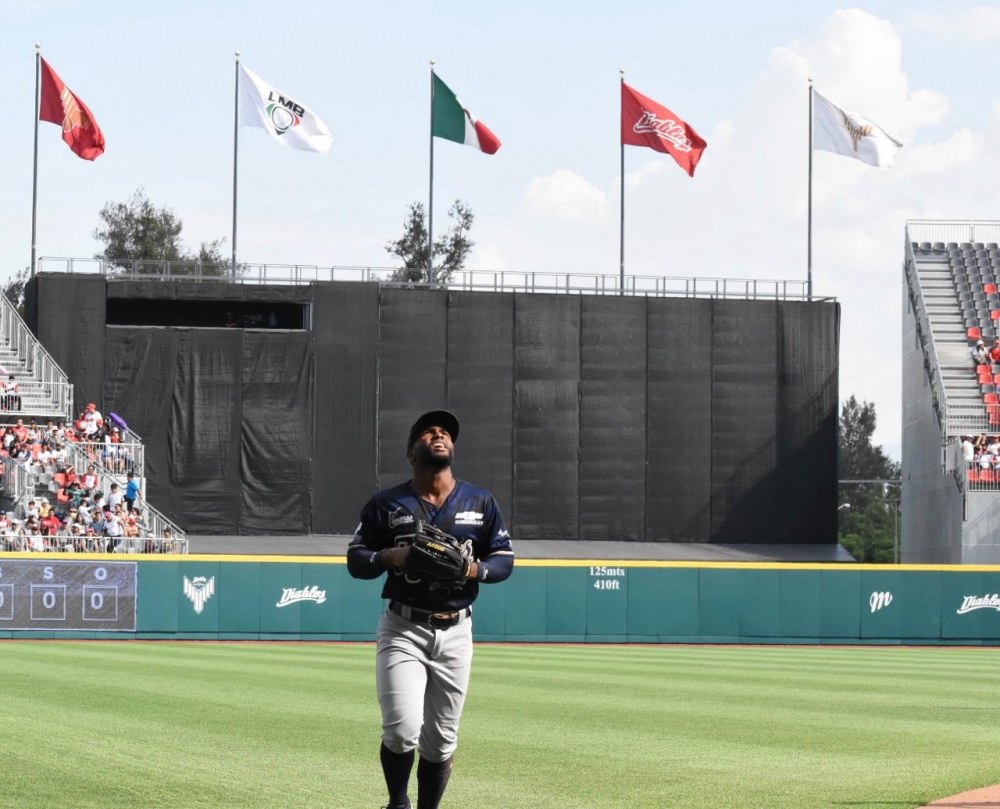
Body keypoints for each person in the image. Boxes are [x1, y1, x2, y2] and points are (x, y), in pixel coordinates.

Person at [347, 410, 514, 809]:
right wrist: (391, 555)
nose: (440, 435)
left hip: (456, 631)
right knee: (403, 729)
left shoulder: (480, 501)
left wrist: (473, 568)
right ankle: (398, 803)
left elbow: (504, 561)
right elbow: (357, 559)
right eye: (429, 432)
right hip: (404, 627)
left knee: (440, 743)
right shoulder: (388, 504)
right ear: (411, 453)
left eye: (446, 433)